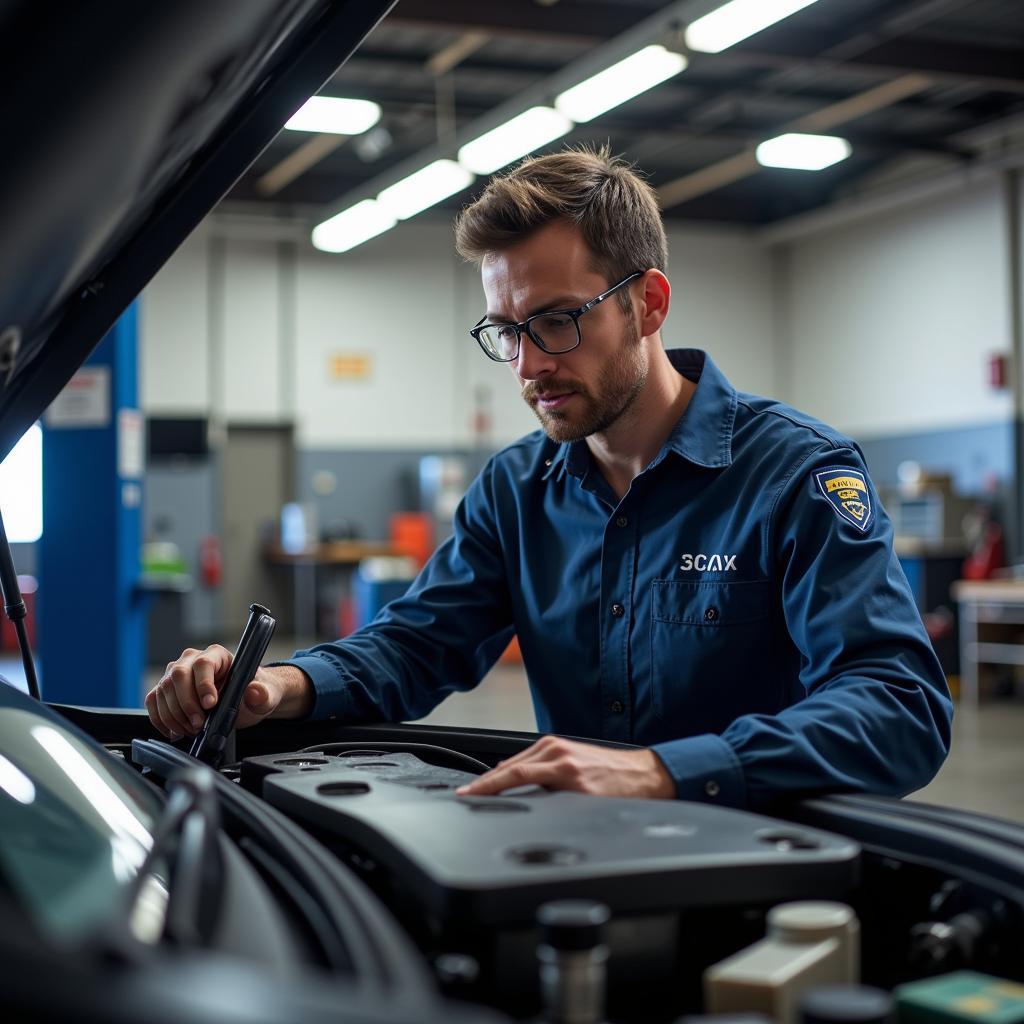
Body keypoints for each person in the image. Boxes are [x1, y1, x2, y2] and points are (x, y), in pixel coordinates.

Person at [146, 147, 952, 810]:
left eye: (558, 321)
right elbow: (418, 645)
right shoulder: (515, 493)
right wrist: (281, 685)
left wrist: (664, 770)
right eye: (506, 331)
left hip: (768, 876)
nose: (529, 365)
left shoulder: (793, 475)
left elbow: (898, 707)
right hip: (581, 866)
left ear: (648, 304)